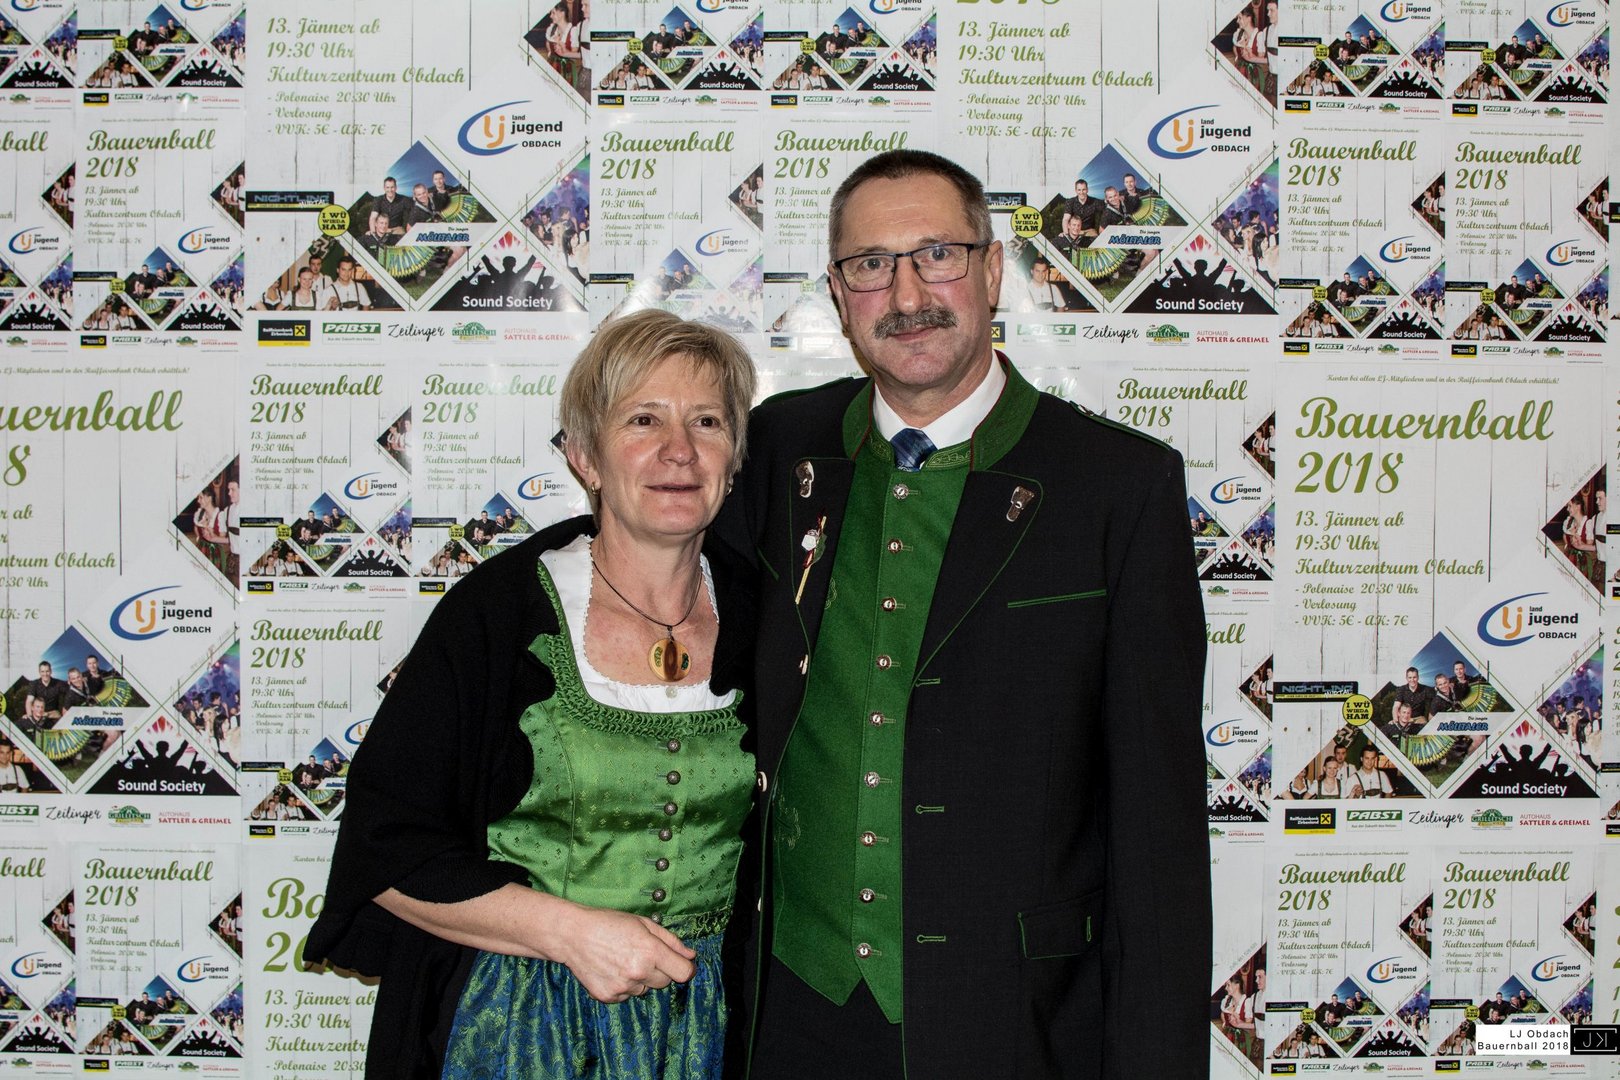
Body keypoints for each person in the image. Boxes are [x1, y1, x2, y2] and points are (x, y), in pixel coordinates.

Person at [719, 149, 1208, 1077]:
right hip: (793, 1015)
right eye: (872, 264)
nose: (907, 295)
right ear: (839, 294)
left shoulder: (1118, 487)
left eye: (937, 254)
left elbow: (1159, 834)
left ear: (990, 271)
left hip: (1012, 1022)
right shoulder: (780, 448)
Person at [306, 310, 759, 1079]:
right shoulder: (499, 613)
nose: (679, 450)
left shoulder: (769, 616)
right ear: (585, 456)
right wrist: (571, 933)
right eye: (643, 419)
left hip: (708, 1030)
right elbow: (384, 847)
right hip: (522, 1026)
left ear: (734, 455)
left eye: (707, 422)